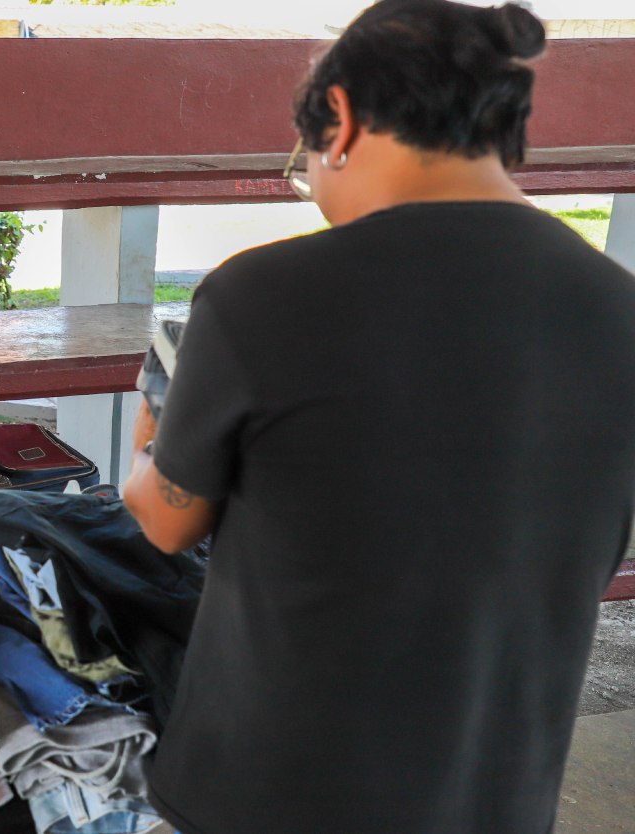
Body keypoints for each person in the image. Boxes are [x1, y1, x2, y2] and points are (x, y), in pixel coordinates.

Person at [122, 1, 635, 832]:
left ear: (345, 117)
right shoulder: (618, 309)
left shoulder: (265, 294)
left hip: (274, 789)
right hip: (496, 792)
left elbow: (166, 520)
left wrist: (152, 431)